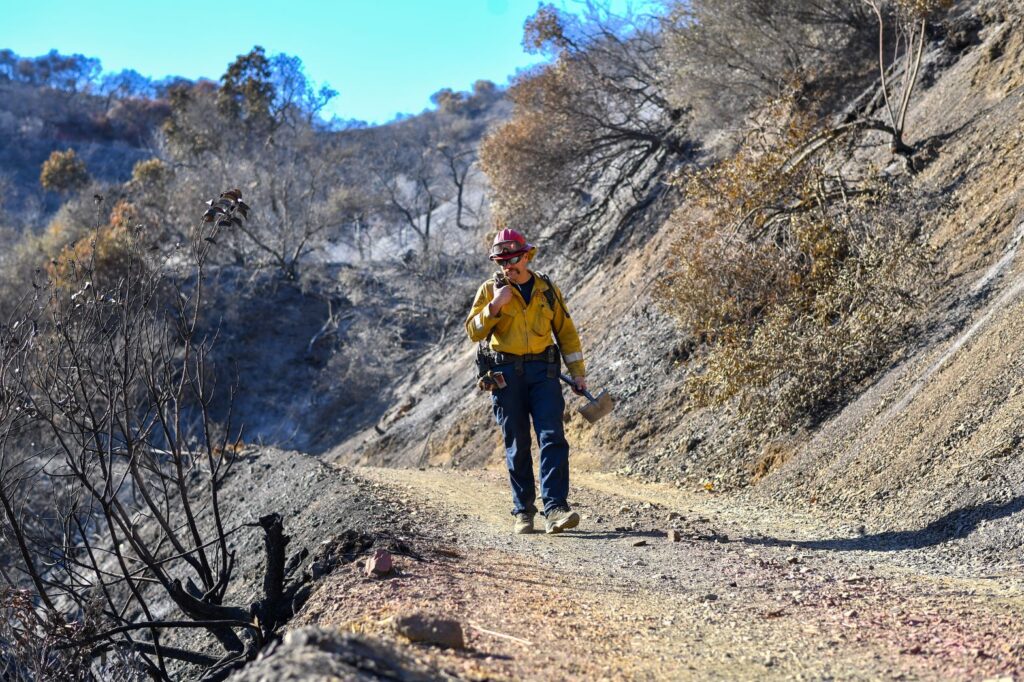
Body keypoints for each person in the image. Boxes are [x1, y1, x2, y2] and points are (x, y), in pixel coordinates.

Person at [465, 228, 587, 535]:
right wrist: (495, 306)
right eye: (502, 261)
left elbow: (566, 332)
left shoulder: (547, 288)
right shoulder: (489, 290)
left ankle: (556, 508)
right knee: (517, 444)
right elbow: (473, 332)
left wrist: (578, 373)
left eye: (513, 259)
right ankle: (523, 512)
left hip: (544, 374)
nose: (508, 266)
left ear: (527, 256)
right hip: (506, 376)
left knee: (552, 436)